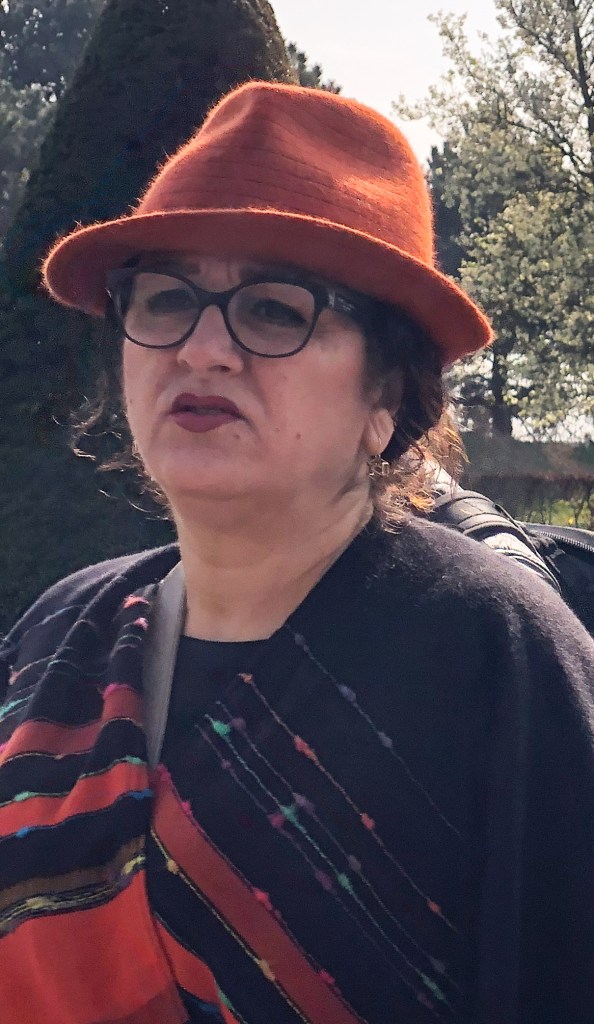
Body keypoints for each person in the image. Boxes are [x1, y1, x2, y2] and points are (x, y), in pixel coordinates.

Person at [1, 81, 593, 1024]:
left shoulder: (496, 651)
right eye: (166, 299)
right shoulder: (59, 638)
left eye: (275, 310)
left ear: (386, 396)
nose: (202, 349)